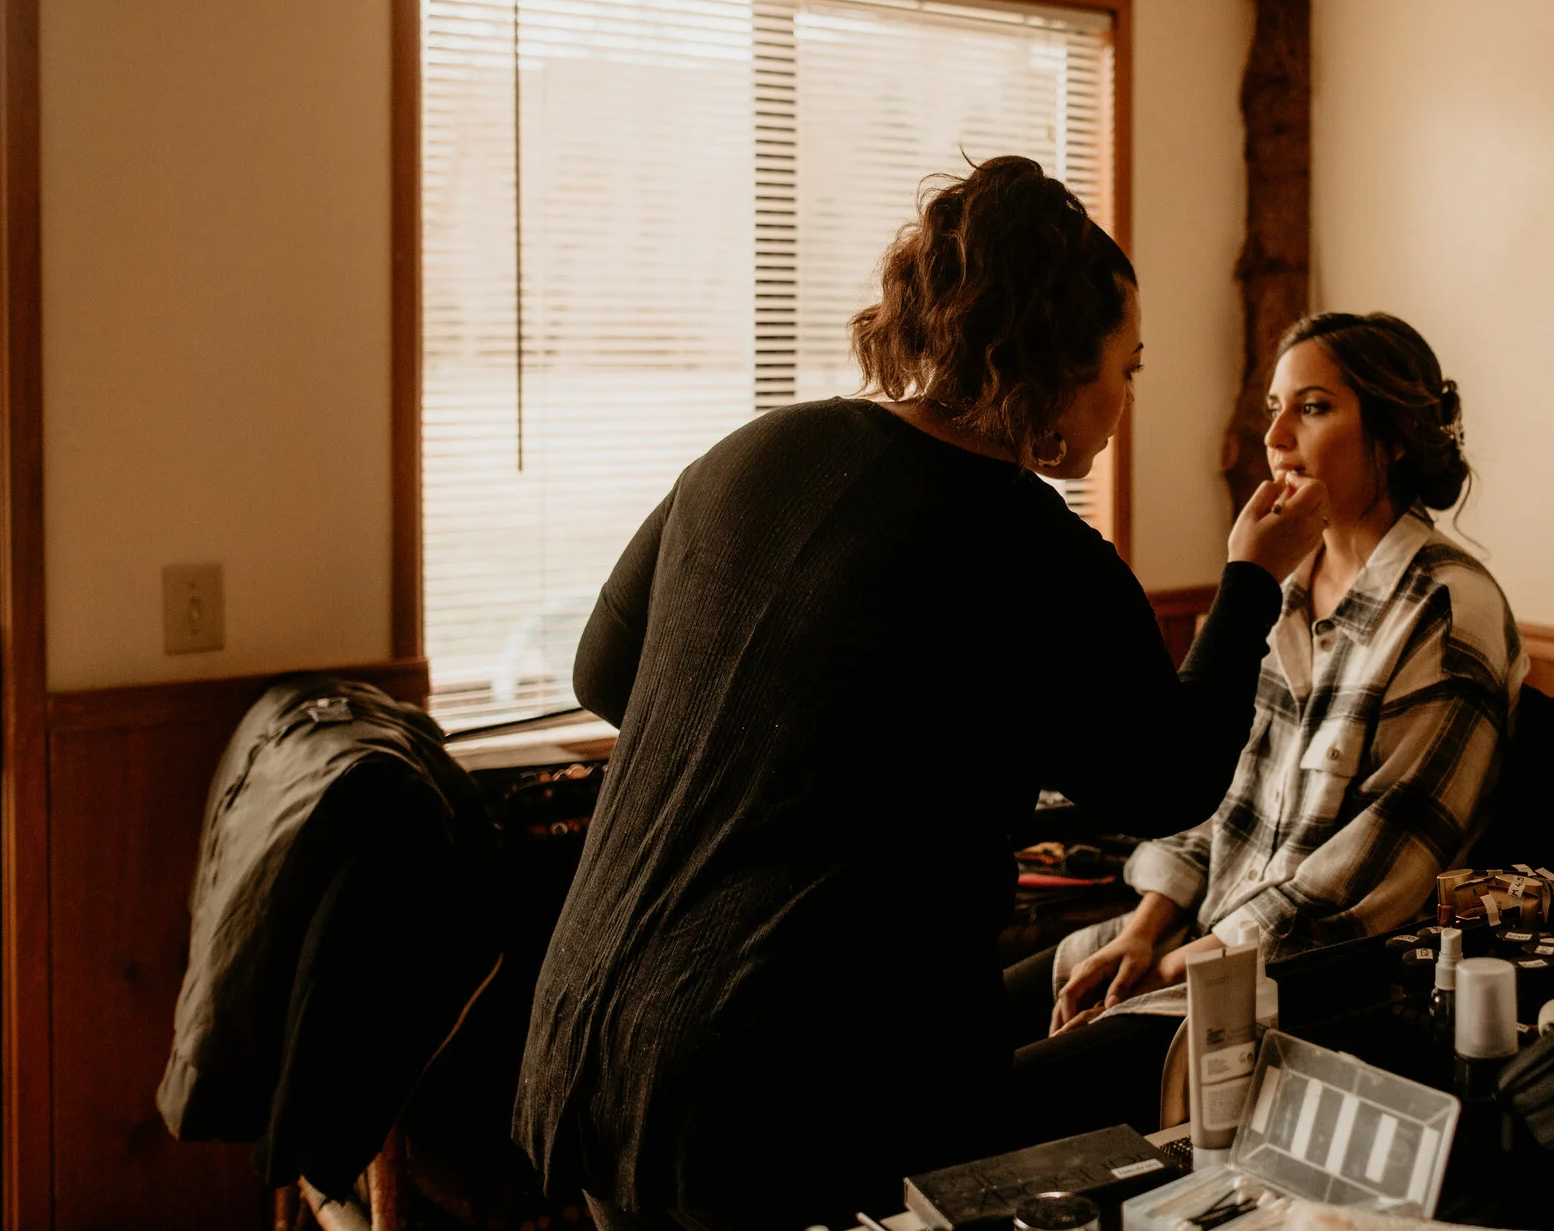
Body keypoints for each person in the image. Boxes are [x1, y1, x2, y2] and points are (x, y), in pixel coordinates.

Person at [513, 157, 1327, 1230]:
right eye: (1124, 367)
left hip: (590, 1024)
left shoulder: (754, 451)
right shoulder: (1034, 550)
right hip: (780, 1079)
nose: (1125, 398)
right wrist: (1252, 581)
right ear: (1052, 364)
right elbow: (1166, 778)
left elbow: (603, 673)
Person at [1003, 311, 1526, 1133]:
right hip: (1202, 938)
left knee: (990, 1104)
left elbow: (1373, 876)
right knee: (959, 1026)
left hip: (1310, 981)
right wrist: (1145, 930)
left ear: (1391, 437)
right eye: (1274, 408)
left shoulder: (1449, 609)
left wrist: (1177, 964)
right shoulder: (1284, 581)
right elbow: (1215, 793)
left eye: (1312, 408)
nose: (1276, 435)